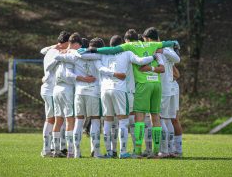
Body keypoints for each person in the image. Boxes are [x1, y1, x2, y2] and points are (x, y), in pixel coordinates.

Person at [80, 29, 179, 157]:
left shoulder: (128, 48)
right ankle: (157, 150)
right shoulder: (153, 45)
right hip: (156, 84)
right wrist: (173, 44)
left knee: (136, 118)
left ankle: (134, 151)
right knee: (156, 117)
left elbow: (112, 51)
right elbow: (164, 61)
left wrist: (92, 50)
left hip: (139, 86)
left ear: (126, 41)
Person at [84, 35, 155, 158]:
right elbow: (140, 61)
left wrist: (79, 50)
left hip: (105, 89)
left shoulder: (103, 54)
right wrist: (154, 56)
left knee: (107, 121)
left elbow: (86, 57)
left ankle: (109, 152)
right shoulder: (126, 53)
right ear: (122, 44)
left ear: (110, 45)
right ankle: (123, 152)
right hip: (120, 89)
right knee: (123, 120)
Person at [54, 37, 104, 158]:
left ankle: (76, 152)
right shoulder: (100, 56)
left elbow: (56, 56)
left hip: (79, 92)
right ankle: (96, 152)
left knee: (79, 121)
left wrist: (67, 51)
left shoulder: (75, 56)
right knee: (95, 120)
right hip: (93, 92)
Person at [39, 30, 70, 157]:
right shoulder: (56, 52)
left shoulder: (51, 50)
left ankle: (52, 149)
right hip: (51, 90)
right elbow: (49, 67)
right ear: (65, 42)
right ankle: (47, 150)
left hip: (48, 89)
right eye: (69, 43)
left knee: (53, 119)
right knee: (51, 119)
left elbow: (42, 50)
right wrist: (59, 57)